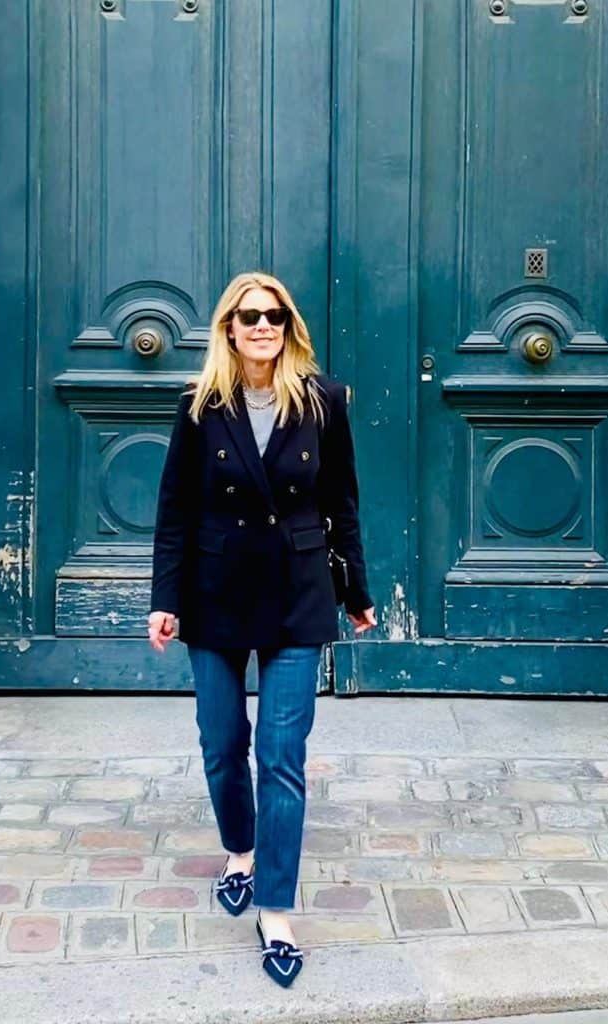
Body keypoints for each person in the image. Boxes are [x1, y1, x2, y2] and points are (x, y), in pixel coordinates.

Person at [148, 271, 376, 987]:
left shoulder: (323, 401)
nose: (262, 327)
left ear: (288, 325)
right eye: (249, 316)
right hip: (215, 594)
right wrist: (165, 598)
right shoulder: (198, 406)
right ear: (228, 328)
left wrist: (357, 593)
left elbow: (343, 505)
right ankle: (239, 852)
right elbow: (175, 511)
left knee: (281, 755)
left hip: (298, 596)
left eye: (274, 315)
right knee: (222, 746)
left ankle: (275, 909)